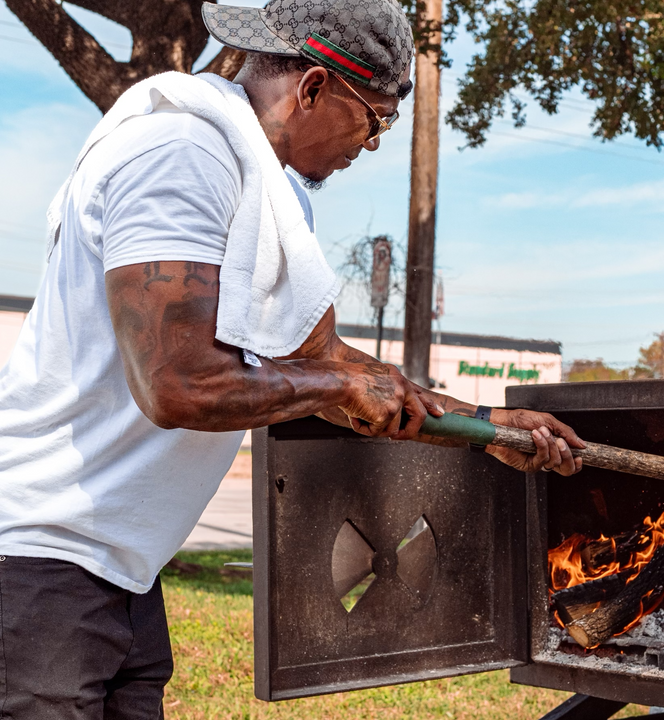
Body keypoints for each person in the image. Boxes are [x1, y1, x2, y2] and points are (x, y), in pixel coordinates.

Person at [0, 0, 584, 716]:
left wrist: (493, 428)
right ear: (313, 87)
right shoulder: (181, 155)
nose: (372, 144)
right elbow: (179, 385)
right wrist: (335, 381)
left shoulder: (267, 192)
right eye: (376, 119)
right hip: (40, 562)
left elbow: (332, 367)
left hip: (122, 571)